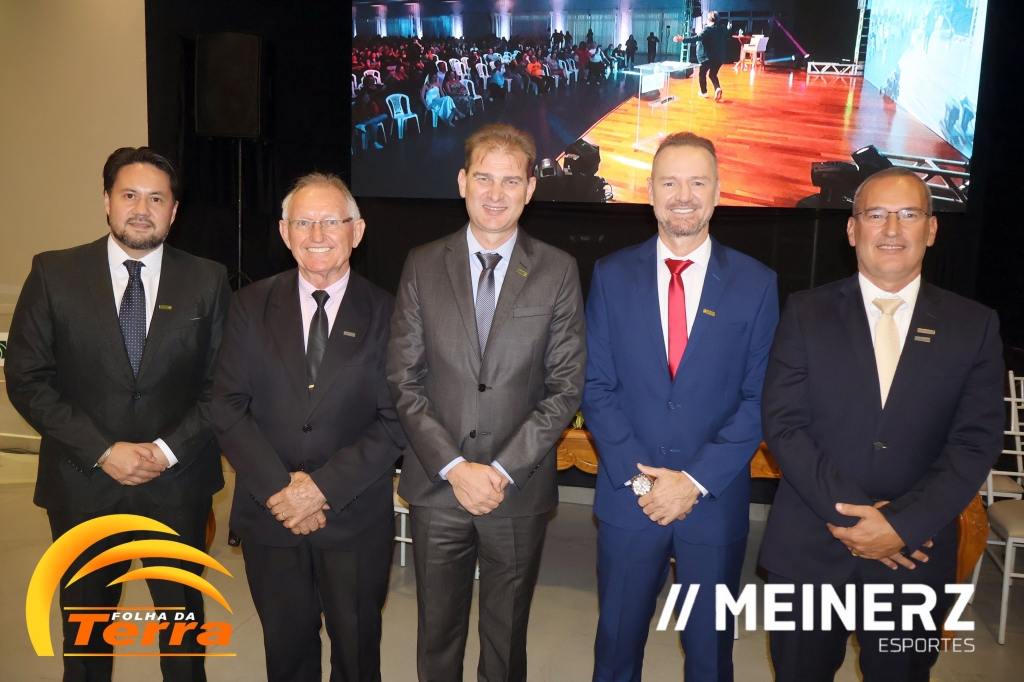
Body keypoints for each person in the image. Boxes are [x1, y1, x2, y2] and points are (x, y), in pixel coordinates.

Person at [759, 167, 1004, 682]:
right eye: (876, 214)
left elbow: (975, 442)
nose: (892, 228)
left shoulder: (974, 325)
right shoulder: (804, 312)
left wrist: (900, 526)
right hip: (811, 548)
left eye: (908, 214)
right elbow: (784, 425)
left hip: (916, 554)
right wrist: (858, 522)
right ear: (853, 230)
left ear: (931, 229)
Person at [4, 147, 231, 682]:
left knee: (182, 635)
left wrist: (165, 451)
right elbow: (27, 378)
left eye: (157, 198)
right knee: (85, 636)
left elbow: (223, 385)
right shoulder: (54, 272)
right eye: (129, 195)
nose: (141, 210)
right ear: (107, 201)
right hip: (82, 485)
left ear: (174, 211)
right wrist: (103, 450)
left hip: (177, 486)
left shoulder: (208, 279)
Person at [387, 123, 587, 682]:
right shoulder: (423, 263)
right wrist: (456, 468)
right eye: (483, 178)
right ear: (462, 182)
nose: (495, 194)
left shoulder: (557, 270)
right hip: (438, 486)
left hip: (515, 489)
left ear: (530, 189)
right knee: (437, 637)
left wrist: (497, 471)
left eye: (510, 181)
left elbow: (565, 386)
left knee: (505, 640)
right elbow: (403, 378)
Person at [583, 132, 779, 682]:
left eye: (697, 182)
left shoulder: (757, 284)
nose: (683, 196)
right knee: (616, 650)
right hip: (631, 501)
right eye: (669, 182)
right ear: (649, 192)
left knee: (711, 656)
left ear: (718, 193)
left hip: (711, 504)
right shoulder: (610, 275)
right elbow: (595, 387)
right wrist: (646, 484)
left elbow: (759, 398)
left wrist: (692, 482)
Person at [212, 173, 406, 682]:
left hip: (353, 518)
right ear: (284, 232)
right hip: (270, 514)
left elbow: (396, 418)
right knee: (287, 655)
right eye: (303, 223)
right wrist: (283, 490)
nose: (316, 234)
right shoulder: (249, 306)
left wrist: (320, 489)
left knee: (357, 656)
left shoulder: (390, 312)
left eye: (331, 222)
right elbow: (226, 405)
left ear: (357, 231)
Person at [675, 11, 730, 101]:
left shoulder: (708, 30)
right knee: (713, 74)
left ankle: (704, 92)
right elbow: (728, 32)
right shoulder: (722, 29)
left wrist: (683, 39)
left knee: (702, 74)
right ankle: (717, 88)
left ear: (709, 19)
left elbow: (697, 38)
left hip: (707, 57)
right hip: (719, 57)